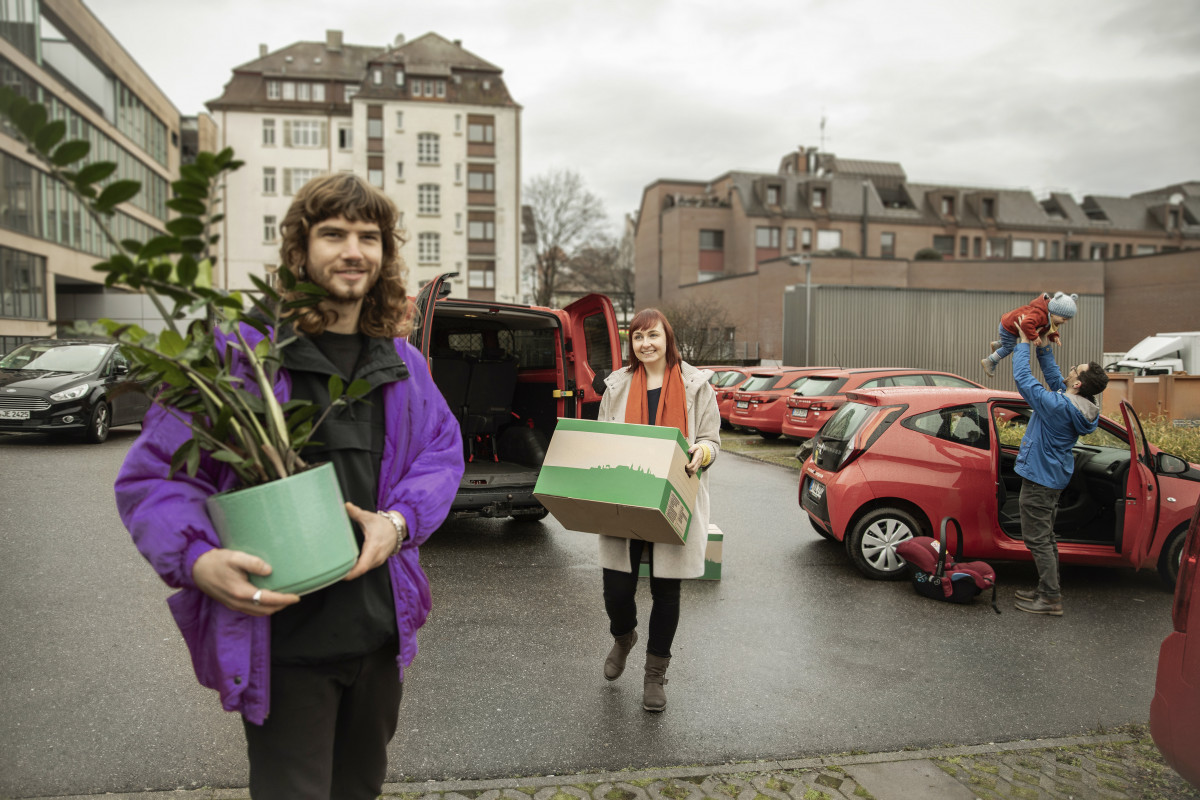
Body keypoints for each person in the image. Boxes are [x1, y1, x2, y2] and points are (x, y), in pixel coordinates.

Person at [115, 173, 464, 799]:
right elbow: (152, 480)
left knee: (360, 790)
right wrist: (198, 560)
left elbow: (442, 454)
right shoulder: (241, 357)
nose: (352, 250)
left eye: (368, 236)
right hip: (283, 643)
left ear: (385, 253)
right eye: (333, 234)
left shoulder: (403, 364)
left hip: (378, 637)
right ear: (299, 250)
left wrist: (400, 521)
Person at [595, 309, 721, 712]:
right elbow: (601, 438)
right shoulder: (616, 386)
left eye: (652, 335)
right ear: (630, 343)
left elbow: (712, 440)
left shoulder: (696, 385)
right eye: (637, 337)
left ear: (667, 339)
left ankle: (654, 675)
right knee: (617, 590)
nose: (645, 343)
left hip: (673, 496)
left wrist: (701, 452)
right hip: (624, 495)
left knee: (666, 590)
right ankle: (623, 636)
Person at [1010, 317, 1109, 616]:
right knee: (1046, 536)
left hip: (1041, 479)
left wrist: (1023, 344)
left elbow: (1024, 380)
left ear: (1078, 383)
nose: (1070, 370)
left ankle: (1051, 598)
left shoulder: (1058, 406)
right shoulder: (1077, 404)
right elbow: (1057, 380)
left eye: (1074, 370)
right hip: (1051, 477)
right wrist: (1043, 350)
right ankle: (1046, 590)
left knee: (1037, 538)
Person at [981, 291, 1077, 378]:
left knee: (1009, 342)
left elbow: (1048, 328)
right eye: (1064, 319)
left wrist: (1054, 336)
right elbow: (1026, 323)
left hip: (1011, 325)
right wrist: (1034, 337)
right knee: (1009, 348)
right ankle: (990, 361)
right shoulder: (1040, 315)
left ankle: (998, 344)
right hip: (1008, 326)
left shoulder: (1049, 316)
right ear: (1053, 313)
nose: (1065, 322)